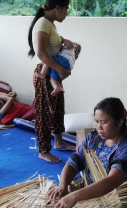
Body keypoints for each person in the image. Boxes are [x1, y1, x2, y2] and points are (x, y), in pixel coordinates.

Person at [4, 97, 127, 208]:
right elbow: (74, 161)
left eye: (104, 122)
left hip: (118, 201)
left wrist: (76, 195)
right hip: (91, 189)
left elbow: (113, 181)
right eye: (96, 121)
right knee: (59, 198)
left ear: (119, 122)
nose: (99, 127)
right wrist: (63, 186)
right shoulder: (94, 137)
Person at [28, 0, 80, 163]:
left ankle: (59, 141)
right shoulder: (43, 23)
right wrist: (60, 69)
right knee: (44, 112)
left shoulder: (50, 24)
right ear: (57, 8)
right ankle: (43, 150)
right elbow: (42, 53)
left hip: (53, 70)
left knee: (57, 108)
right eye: (66, 10)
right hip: (46, 72)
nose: (66, 14)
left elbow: (52, 51)